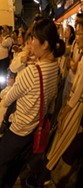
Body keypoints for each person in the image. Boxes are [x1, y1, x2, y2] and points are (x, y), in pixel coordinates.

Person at [0, 19, 65, 188]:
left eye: (34, 38)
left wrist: (4, 94)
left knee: (1, 169)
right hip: (34, 129)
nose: (31, 42)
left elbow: (9, 99)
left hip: (18, 130)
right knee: (15, 168)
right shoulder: (54, 67)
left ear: (45, 43)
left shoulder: (32, 72)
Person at [45, 18, 83, 184]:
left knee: (66, 140)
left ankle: (53, 177)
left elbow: (77, 93)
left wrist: (63, 114)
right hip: (73, 100)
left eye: (80, 33)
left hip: (76, 107)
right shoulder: (76, 49)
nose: (77, 36)